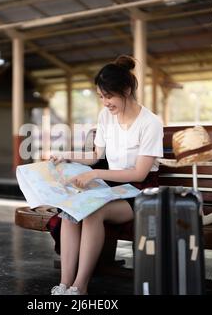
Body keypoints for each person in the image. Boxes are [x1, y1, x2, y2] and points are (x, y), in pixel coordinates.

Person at [48, 55, 164, 295]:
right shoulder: (105, 117)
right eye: (101, 96)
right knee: (72, 209)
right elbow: (95, 155)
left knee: (93, 213)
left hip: (141, 192)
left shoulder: (150, 122)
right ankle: (64, 284)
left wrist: (95, 174)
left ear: (127, 89)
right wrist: (66, 155)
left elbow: (140, 173)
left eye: (109, 96)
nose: (105, 103)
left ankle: (81, 287)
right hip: (111, 186)